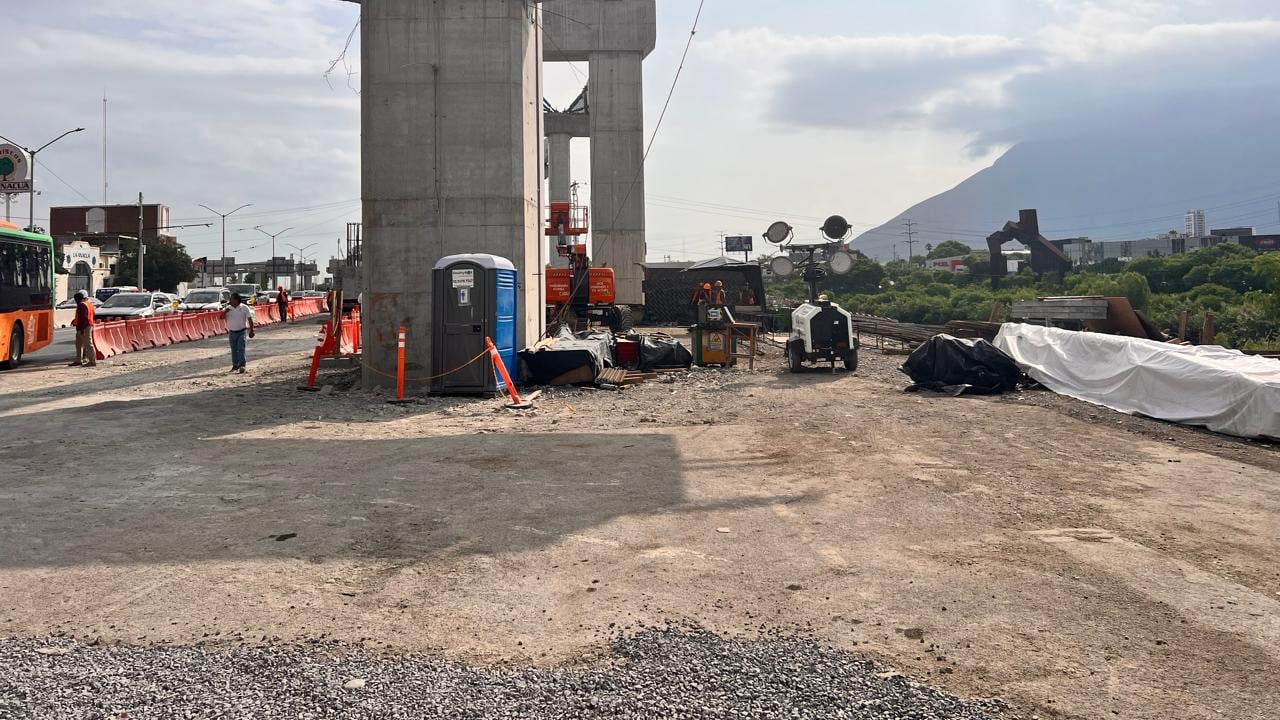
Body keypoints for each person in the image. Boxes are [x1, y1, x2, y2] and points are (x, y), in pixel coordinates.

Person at [221, 293, 256, 373]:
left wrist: (252, 330)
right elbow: (221, 317)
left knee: (241, 348)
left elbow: (250, 319)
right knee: (234, 349)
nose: (229, 300)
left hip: (242, 331)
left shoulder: (244, 308)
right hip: (232, 332)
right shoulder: (228, 308)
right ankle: (235, 365)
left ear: (236, 300)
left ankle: (242, 365)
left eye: (231, 299)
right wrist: (225, 311)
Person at [69, 291, 96, 367]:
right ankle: (78, 360)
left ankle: (92, 361)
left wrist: (81, 330)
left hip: (84, 327)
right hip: (86, 326)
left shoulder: (81, 305)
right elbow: (93, 314)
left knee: (88, 344)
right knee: (79, 344)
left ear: (78, 299)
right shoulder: (89, 304)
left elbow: (83, 319)